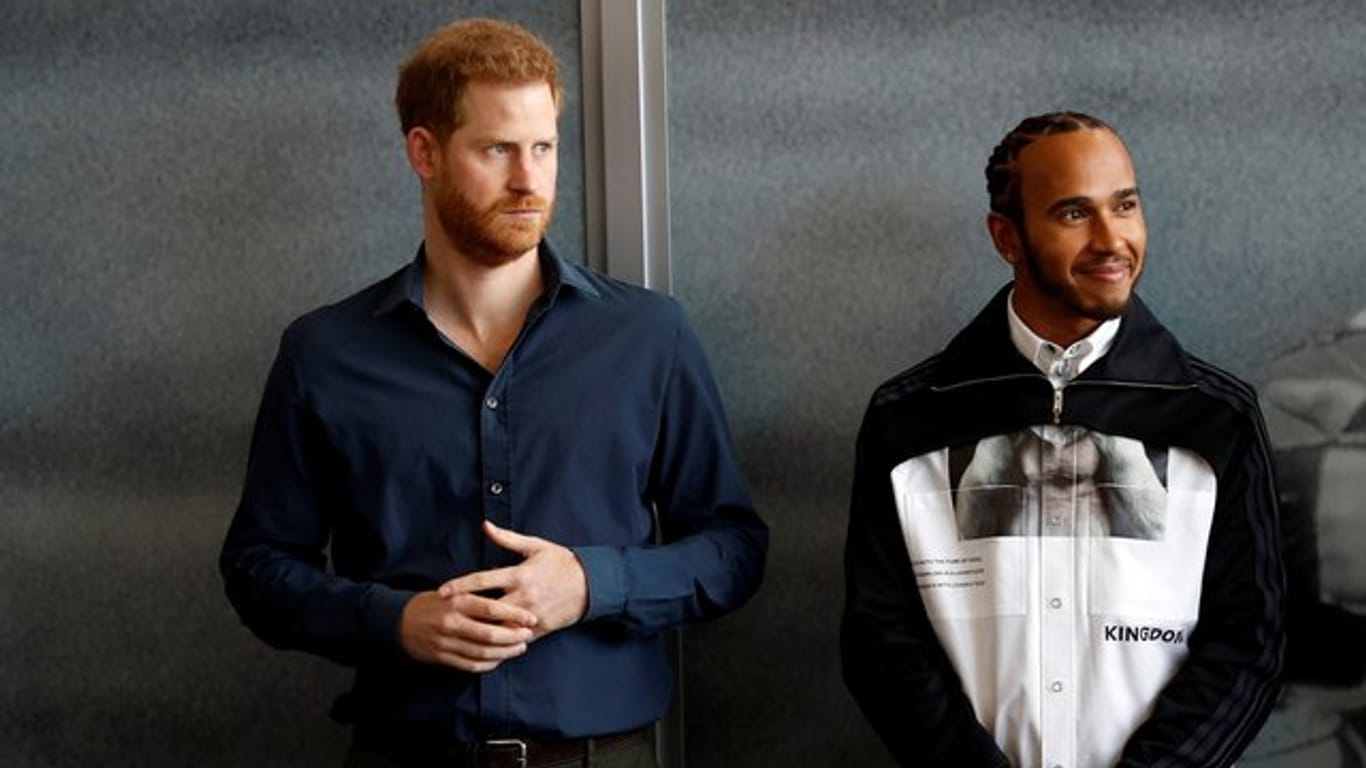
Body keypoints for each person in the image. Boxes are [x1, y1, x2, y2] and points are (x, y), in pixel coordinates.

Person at [219, 18, 767, 768]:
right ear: (424, 153)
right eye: (497, 149)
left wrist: (592, 583)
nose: (529, 180)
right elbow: (257, 567)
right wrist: (394, 620)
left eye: (543, 147)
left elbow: (735, 551)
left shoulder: (650, 337)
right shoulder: (324, 353)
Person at [841, 111, 1284, 767]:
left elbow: (1252, 640)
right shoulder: (909, 419)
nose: (1113, 239)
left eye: (1125, 206)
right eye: (1074, 214)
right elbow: (882, 641)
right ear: (1007, 237)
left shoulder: (1216, 417)